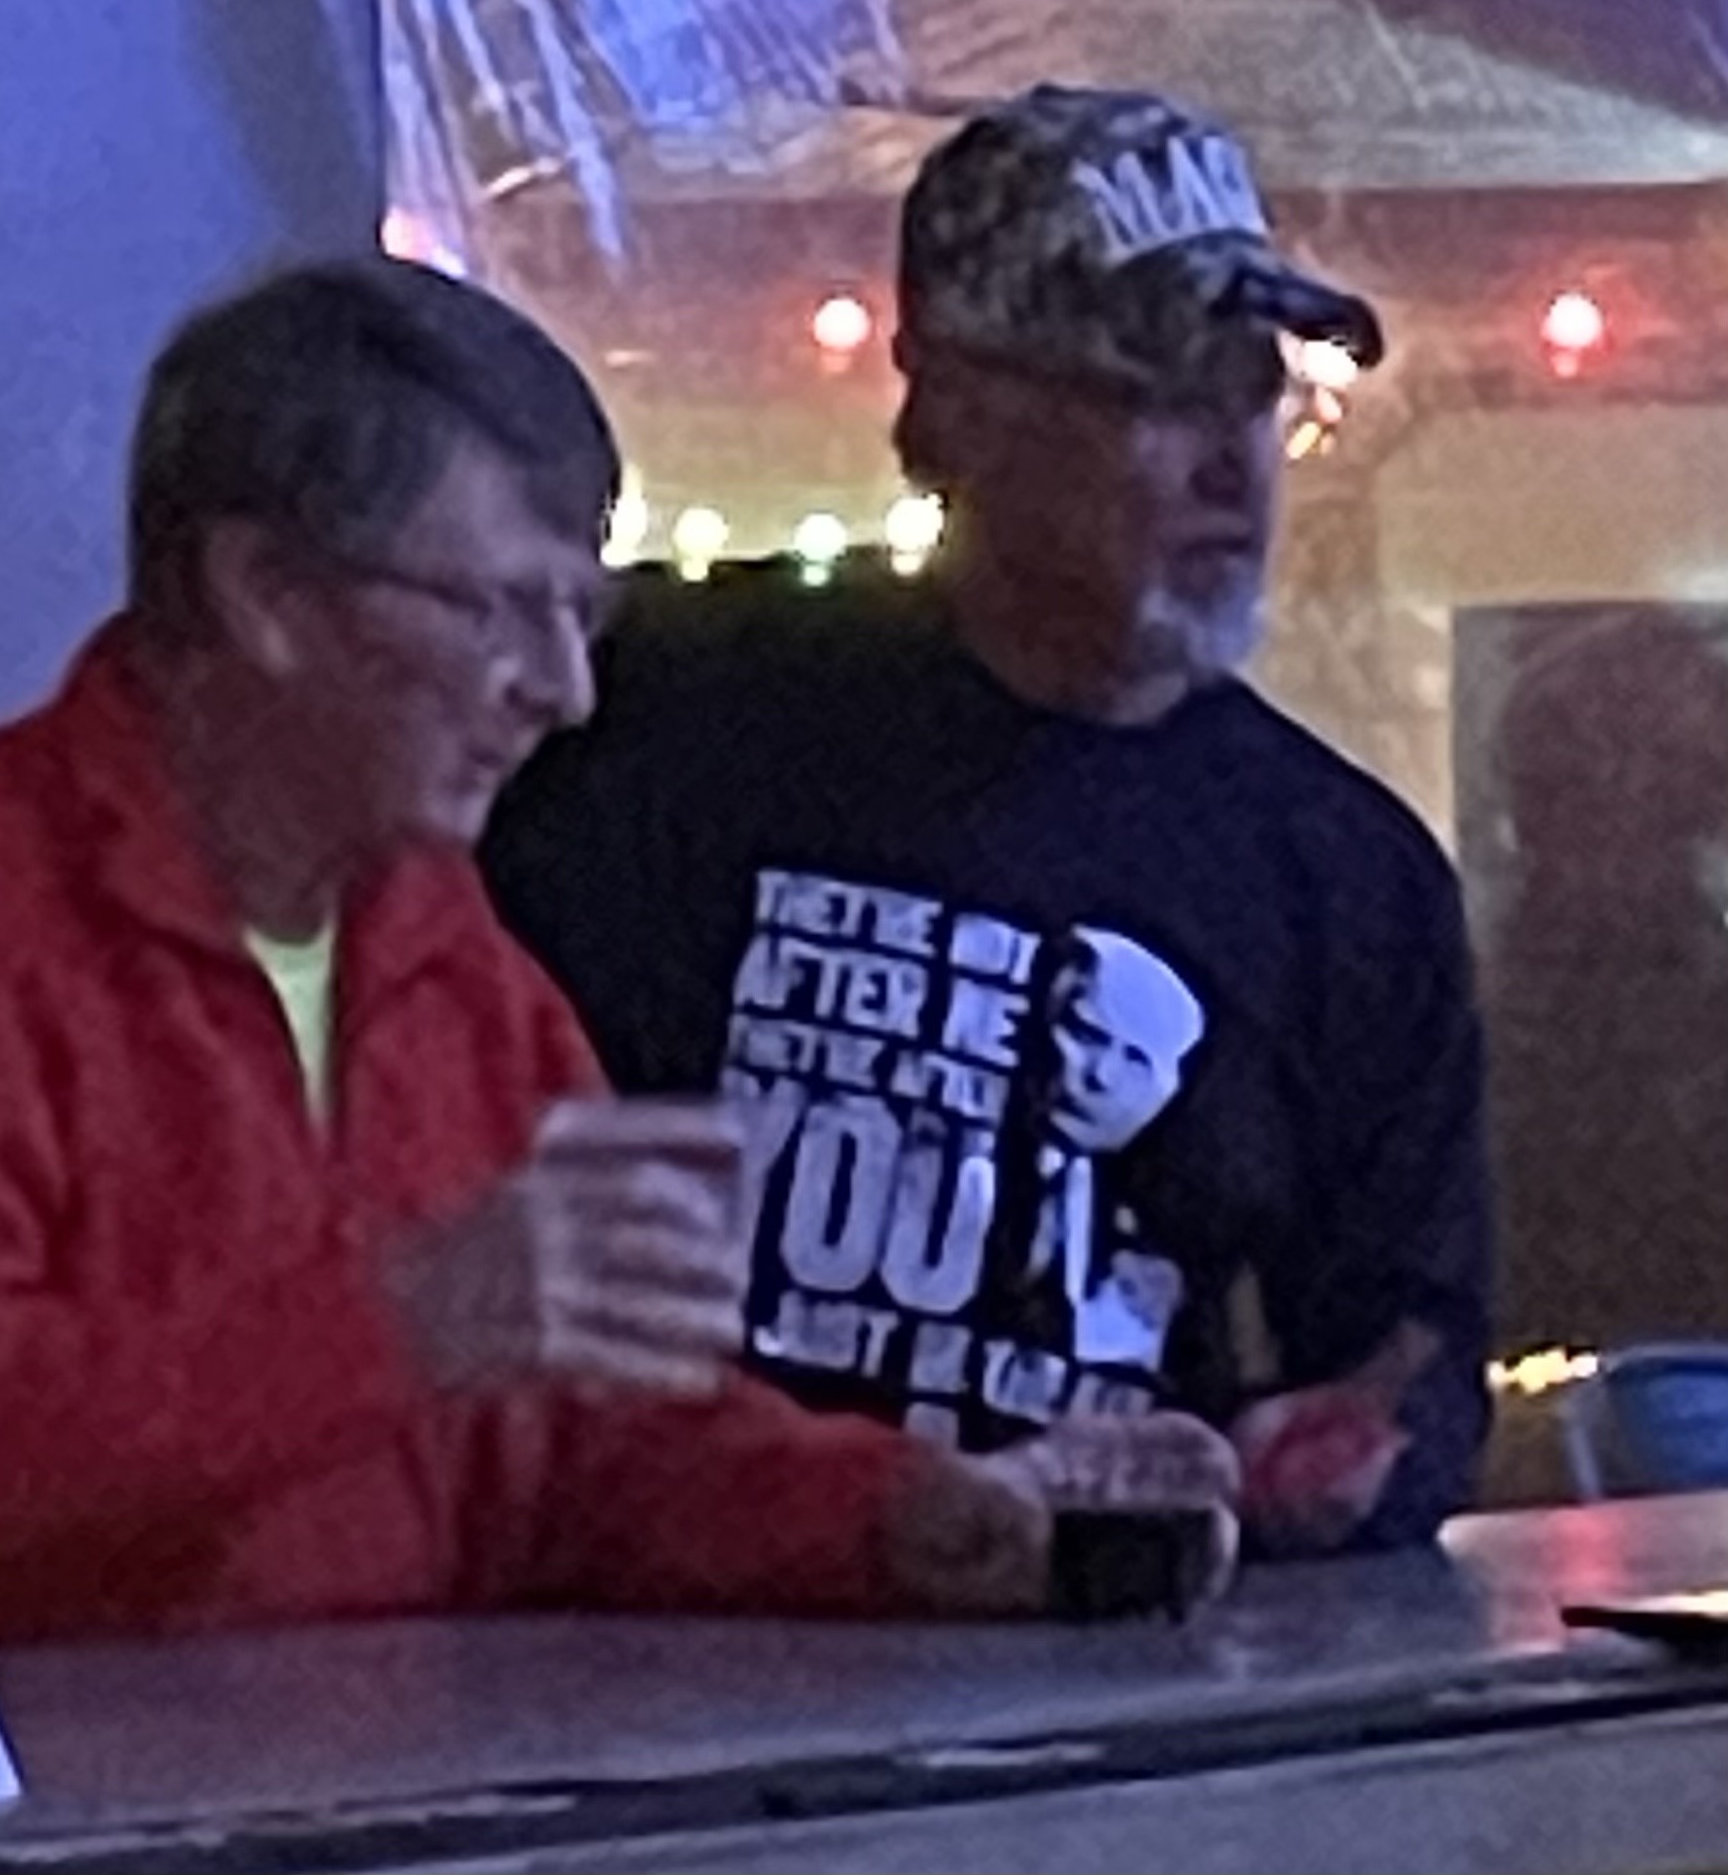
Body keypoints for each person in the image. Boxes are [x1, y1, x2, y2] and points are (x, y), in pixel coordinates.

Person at [0, 254, 1240, 1681]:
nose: (560, 689)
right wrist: (390, 1323)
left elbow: (600, 1458)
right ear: (263, 593)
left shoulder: (454, 963)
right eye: (500, 610)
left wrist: (902, 1516)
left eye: (582, 618)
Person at [484, 86, 1493, 1557]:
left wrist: (1350, 1452)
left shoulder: (1346, 873)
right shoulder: (647, 716)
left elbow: (1405, 1349)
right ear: (958, 408)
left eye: (1251, 388)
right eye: (1154, 393)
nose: (1232, 461)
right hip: (652, 1630)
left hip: (1083, 1655)